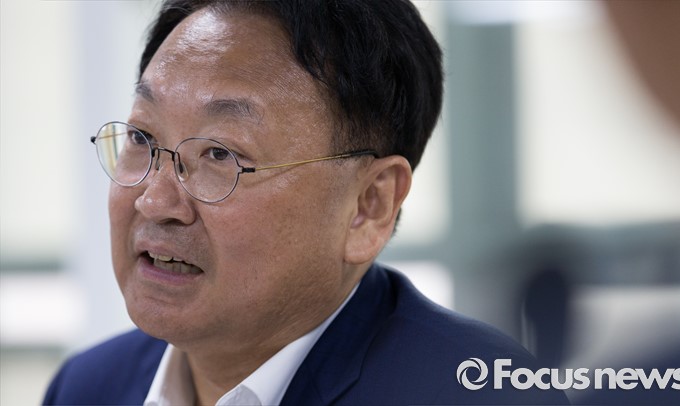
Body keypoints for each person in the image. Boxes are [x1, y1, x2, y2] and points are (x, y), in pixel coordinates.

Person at [43, 1, 568, 405]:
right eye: (141, 138)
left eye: (221, 154)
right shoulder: (88, 387)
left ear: (368, 206)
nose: (156, 201)